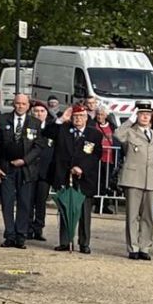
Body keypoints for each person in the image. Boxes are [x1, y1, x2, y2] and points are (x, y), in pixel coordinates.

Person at [43, 105, 100, 253]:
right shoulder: (63, 130)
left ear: (86, 118)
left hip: (84, 178)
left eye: (81, 116)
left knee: (84, 213)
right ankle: (65, 241)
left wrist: (82, 168)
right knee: (65, 210)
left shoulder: (94, 134)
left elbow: (95, 155)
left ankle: (84, 243)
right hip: (65, 176)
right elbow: (47, 132)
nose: (78, 119)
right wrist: (62, 119)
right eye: (75, 116)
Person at [0, 93, 41, 248]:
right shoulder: (3, 119)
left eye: (23, 104)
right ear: (14, 104)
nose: (20, 106)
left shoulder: (35, 123)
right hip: (6, 168)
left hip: (26, 169)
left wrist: (24, 161)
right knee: (7, 202)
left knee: (24, 203)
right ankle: (10, 235)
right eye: (17, 103)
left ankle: (21, 236)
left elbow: (38, 147)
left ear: (28, 105)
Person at [116, 103, 153, 261]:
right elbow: (118, 134)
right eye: (141, 114)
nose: (145, 117)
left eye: (148, 114)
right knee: (132, 215)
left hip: (151, 179)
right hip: (133, 179)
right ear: (137, 116)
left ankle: (145, 246)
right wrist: (130, 120)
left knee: (149, 216)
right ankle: (133, 247)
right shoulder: (130, 132)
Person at [27, 100, 54, 241]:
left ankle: (38, 228)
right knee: (28, 200)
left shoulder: (50, 128)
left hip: (45, 171)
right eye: (36, 111)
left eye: (42, 111)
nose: (39, 114)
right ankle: (27, 228)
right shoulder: (28, 126)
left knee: (41, 202)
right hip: (30, 170)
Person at [90, 105, 117, 210]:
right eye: (98, 114)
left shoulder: (112, 126)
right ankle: (97, 204)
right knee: (97, 181)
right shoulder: (93, 125)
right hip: (97, 158)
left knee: (107, 181)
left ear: (106, 115)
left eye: (101, 114)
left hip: (109, 158)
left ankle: (105, 204)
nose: (99, 116)